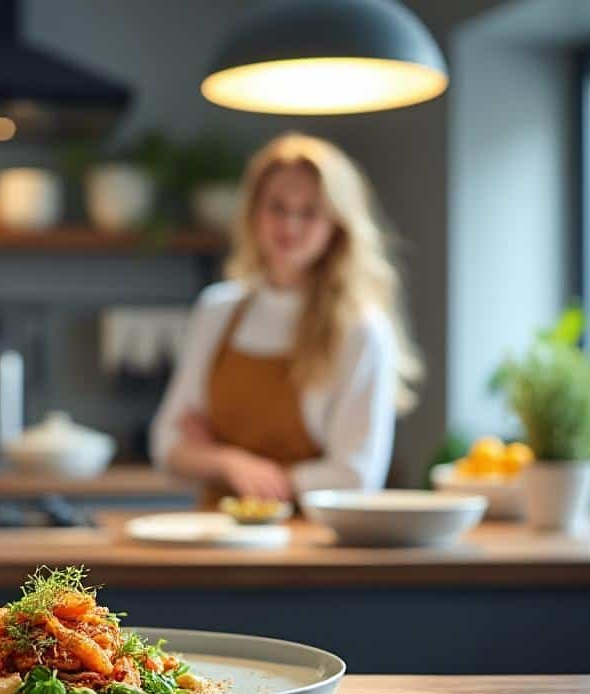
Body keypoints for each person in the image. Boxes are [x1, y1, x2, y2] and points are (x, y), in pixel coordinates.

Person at [151, 133, 421, 505]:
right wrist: (231, 463)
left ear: (337, 226)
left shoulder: (361, 330)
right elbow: (167, 444)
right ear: (253, 213)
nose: (290, 226)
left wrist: (218, 461)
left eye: (309, 212)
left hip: (314, 542)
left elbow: (356, 475)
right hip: (216, 535)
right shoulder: (217, 311)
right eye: (277, 207)